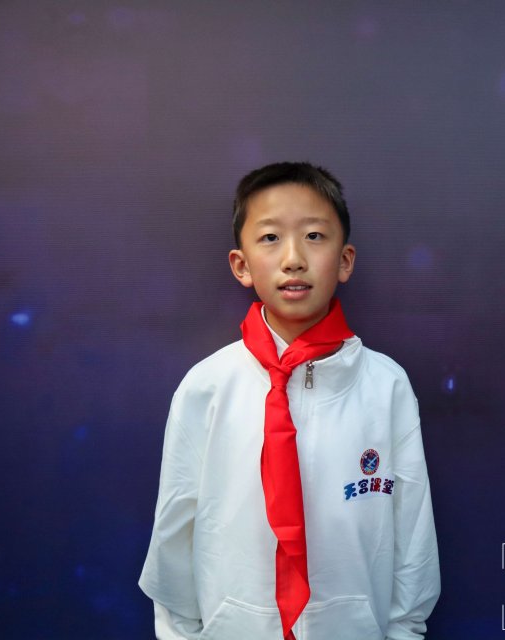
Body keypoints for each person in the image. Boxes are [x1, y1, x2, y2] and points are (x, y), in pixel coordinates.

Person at [139, 162, 440, 640]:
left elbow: (413, 533)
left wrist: (403, 631)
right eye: (270, 238)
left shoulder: (386, 386)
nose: (294, 258)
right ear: (241, 265)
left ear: (345, 260)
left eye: (315, 236)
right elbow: (175, 533)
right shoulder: (207, 387)